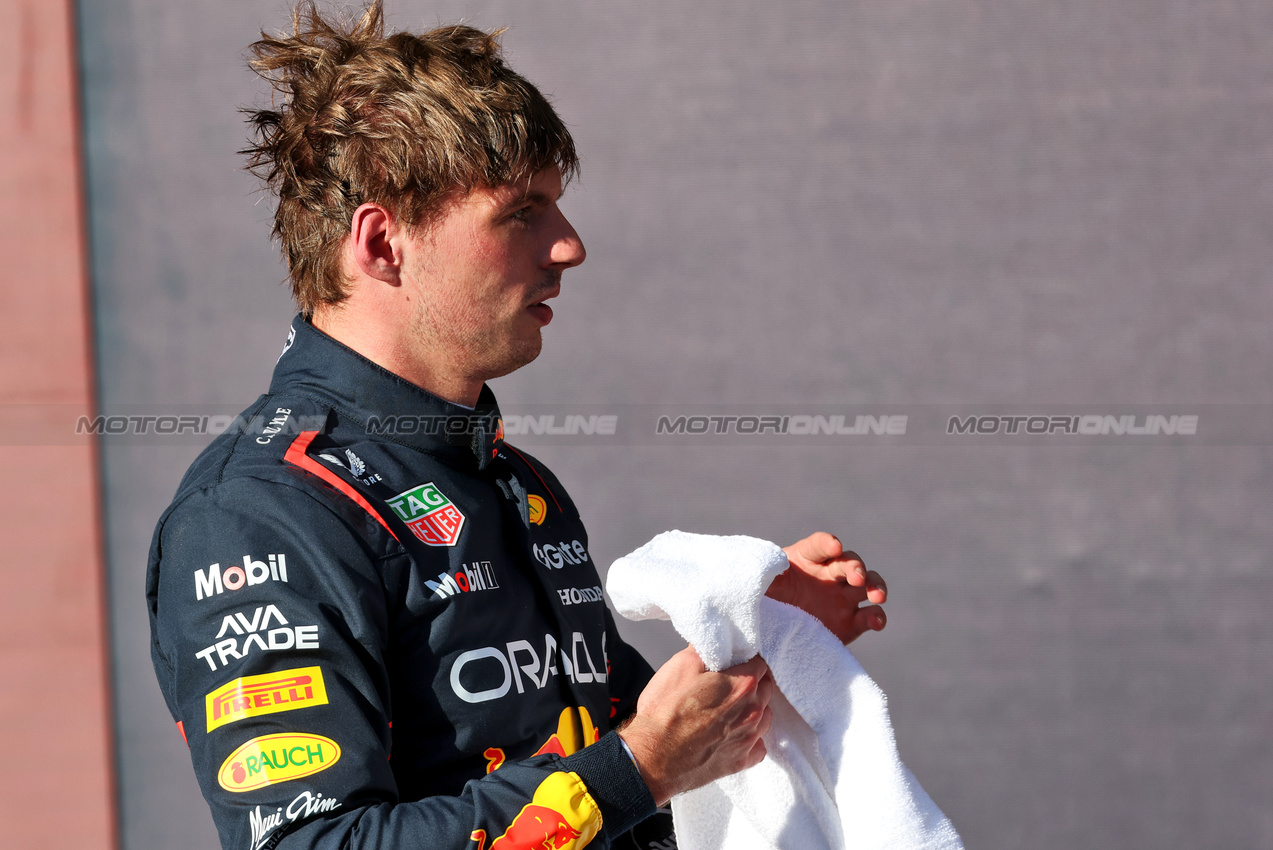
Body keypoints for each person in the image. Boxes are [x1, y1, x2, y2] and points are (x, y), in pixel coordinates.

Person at [145, 4, 888, 849]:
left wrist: (765, 637)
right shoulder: (257, 513)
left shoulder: (513, 481)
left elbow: (653, 760)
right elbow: (314, 844)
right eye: (520, 212)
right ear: (383, 242)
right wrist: (637, 769)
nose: (568, 246)